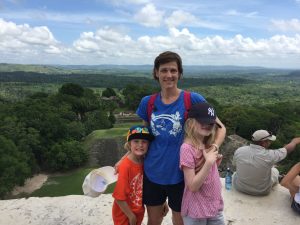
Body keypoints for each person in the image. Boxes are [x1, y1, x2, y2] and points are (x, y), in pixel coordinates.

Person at [135, 51, 226, 225]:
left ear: (180, 73)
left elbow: (220, 128)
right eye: (164, 70)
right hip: (153, 171)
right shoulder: (148, 102)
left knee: (180, 221)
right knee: (153, 220)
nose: (169, 75)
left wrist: (212, 149)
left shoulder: (191, 99)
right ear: (156, 73)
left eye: (173, 70)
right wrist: (127, 157)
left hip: (181, 175)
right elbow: (143, 137)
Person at [180, 102, 225, 225]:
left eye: (211, 123)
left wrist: (214, 165)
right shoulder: (187, 148)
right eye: (202, 121)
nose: (207, 125)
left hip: (214, 205)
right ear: (191, 122)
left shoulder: (207, 144)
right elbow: (193, 186)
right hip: (197, 210)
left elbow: (206, 174)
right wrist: (209, 163)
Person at [233, 130, 300, 196]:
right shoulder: (270, 155)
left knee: (236, 172)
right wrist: (294, 142)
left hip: (239, 187)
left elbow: (235, 164)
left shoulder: (240, 150)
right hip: (261, 191)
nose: (270, 143)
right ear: (263, 143)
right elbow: (287, 149)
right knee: (275, 170)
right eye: (269, 141)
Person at [112, 125, 154, 225]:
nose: (140, 145)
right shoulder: (125, 166)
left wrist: (162, 202)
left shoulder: (144, 161)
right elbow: (119, 197)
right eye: (136, 141)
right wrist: (130, 216)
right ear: (129, 144)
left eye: (144, 142)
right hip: (124, 215)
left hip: (138, 211)